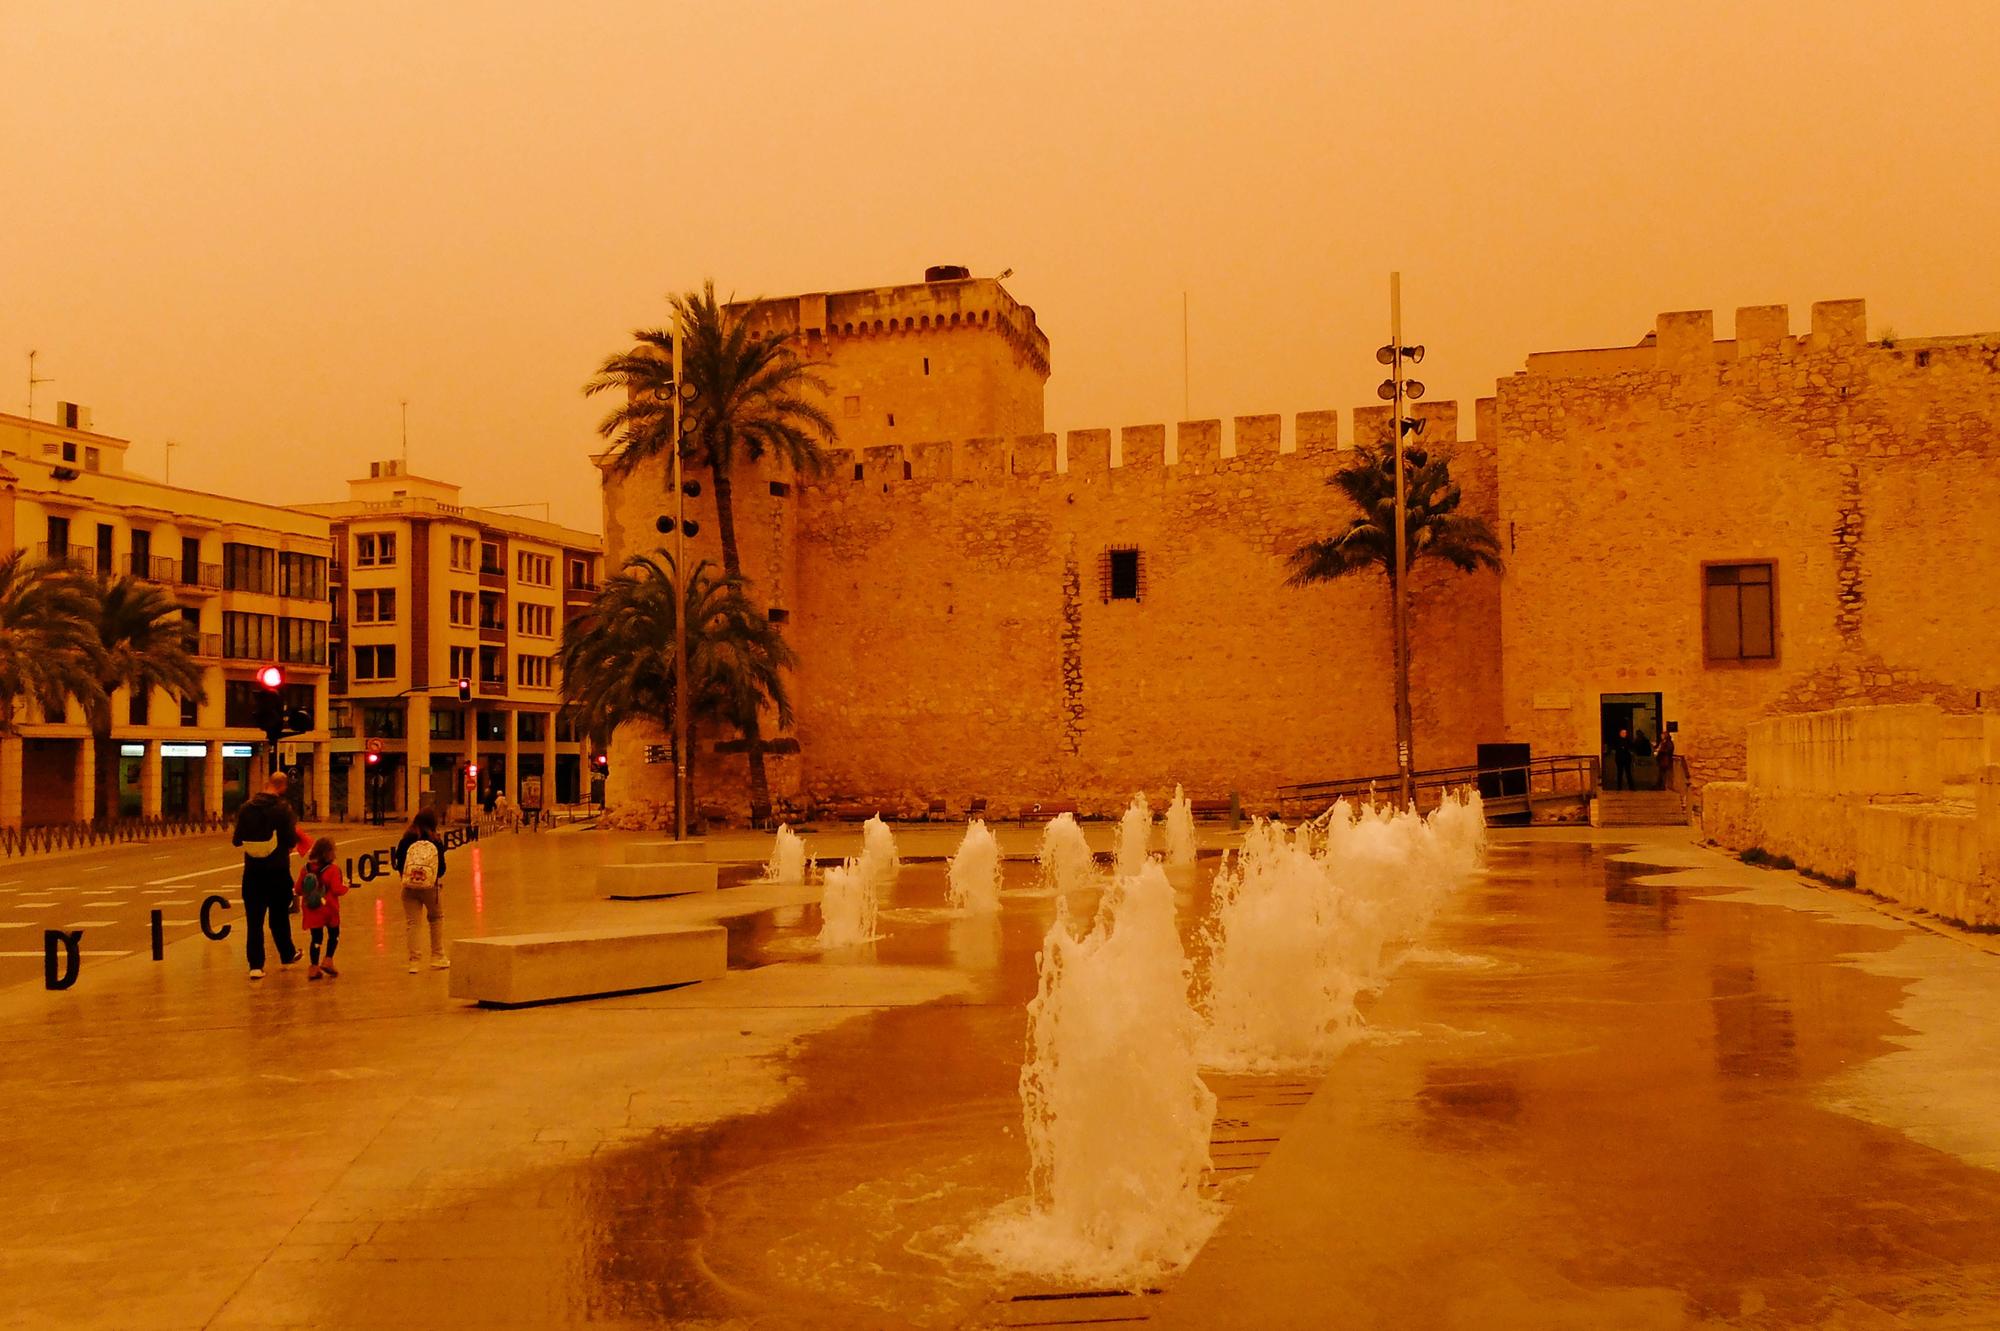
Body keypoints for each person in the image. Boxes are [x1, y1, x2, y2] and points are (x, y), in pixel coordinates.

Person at [231, 771, 311, 979]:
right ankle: (286, 955)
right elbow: (291, 840)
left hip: (253, 872)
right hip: (277, 871)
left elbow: (237, 839)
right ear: (282, 787)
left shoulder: (246, 808)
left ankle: (256, 966)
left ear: (267, 784)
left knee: (254, 921)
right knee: (279, 917)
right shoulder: (283, 809)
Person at [392, 807, 450, 974]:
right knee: (436, 918)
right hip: (431, 888)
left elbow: (399, 864)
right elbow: (442, 869)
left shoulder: (406, 840)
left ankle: (414, 962)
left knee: (413, 923)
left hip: (409, 887)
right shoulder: (436, 841)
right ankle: (437, 956)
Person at [295, 836, 349, 981]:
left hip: (311, 909)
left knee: (316, 938)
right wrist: (346, 887)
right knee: (334, 934)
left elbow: (298, 889)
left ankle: (313, 967)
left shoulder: (305, 869)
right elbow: (337, 889)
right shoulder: (332, 869)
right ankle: (328, 960)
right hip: (328, 907)